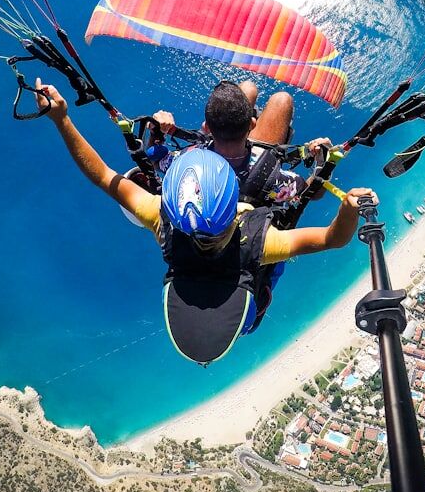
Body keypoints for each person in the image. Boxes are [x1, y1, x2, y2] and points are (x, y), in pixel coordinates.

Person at [35, 79, 376, 365]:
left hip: (218, 303)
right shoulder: (260, 242)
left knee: (245, 89)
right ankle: (251, 111)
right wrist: (342, 199)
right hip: (242, 304)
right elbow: (332, 236)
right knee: (278, 99)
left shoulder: (164, 219)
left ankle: (244, 107)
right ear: (236, 204)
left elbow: (103, 176)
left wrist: (61, 119)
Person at [152, 79, 331, 212]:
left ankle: (229, 120)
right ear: (252, 124)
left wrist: (157, 130)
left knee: (248, 88)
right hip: (256, 172)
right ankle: (239, 120)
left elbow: (155, 160)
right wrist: (323, 162)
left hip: (229, 165)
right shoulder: (276, 180)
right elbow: (312, 193)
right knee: (282, 100)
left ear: (207, 128)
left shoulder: (187, 159)